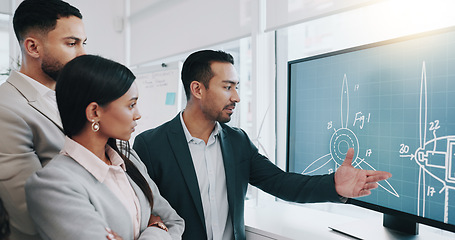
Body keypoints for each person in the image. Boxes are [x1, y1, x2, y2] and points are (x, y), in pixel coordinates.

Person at [133, 50, 392, 240]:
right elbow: (143, 213)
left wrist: (333, 184)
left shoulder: (237, 141)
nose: (236, 97)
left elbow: (280, 183)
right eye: (227, 87)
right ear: (198, 89)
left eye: (236, 87)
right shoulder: (150, 145)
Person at [25, 55, 185, 240]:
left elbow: (174, 222)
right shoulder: (51, 184)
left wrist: (156, 228)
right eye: (131, 105)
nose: (138, 115)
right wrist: (157, 228)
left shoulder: (129, 158)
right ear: (94, 112)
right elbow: (166, 226)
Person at [0, 1, 87, 239]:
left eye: (83, 43)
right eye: (72, 43)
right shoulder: (5, 109)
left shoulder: (74, 98)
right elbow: (31, 213)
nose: (83, 54)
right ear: (33, 47)